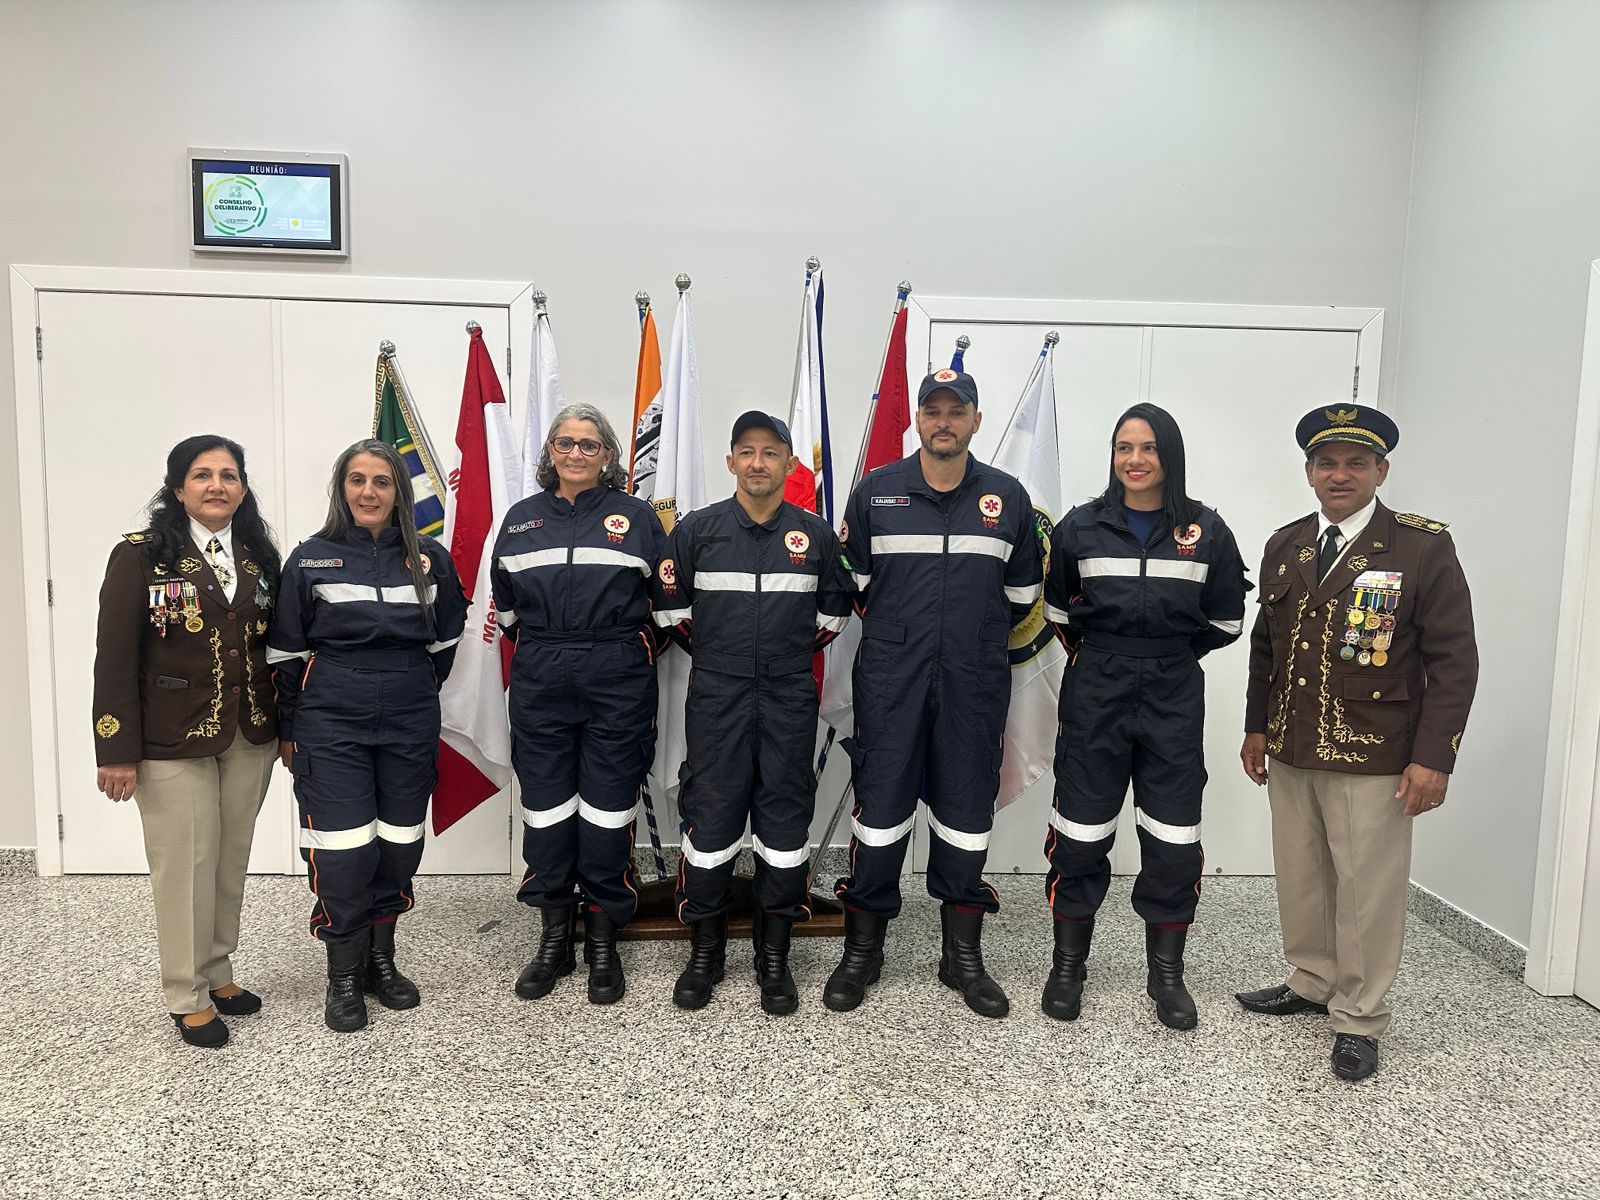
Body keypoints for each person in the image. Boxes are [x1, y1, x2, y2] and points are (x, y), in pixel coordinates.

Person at [1237, 404, 1478, 1081]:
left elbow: (1454, 659)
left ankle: (1361, 1017)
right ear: (1309, 472)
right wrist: (1256, 726)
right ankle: (1313, 981)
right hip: (1291, 744)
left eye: (1355, 463)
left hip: (1374, 750)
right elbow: (1266, 648)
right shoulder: (1288, 544)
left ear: (1381, 471)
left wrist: (1434, 757)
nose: (1339, 475)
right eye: (1326, 463)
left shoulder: (1419, 547)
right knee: (1302, 874)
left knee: (1367, 889)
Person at [826, 368, 1043, 1019]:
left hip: (973, 683)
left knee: (965, 816)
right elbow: (853, 586)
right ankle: (863, 951)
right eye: (933, 410)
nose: (943, 421)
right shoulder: (877, 493)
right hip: (891, 683)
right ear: (918, 419)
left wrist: (966, 636)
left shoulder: (1007, 498)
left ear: (976, 419)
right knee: (880, 815)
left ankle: (962, 956)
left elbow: (1021, 597)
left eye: (956, 410)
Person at [1039, 404, 1251, 1030]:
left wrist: (1167, 655)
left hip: (1172, 694)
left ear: (1170, 455)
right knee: (1079, 834)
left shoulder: (1207, 530)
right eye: (1124, 447)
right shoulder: (1081, 527)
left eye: (1149, 448)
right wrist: (1111, 657)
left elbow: (1226, 620)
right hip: (1095, 691)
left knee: (1174, 838)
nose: (1135, 460)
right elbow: (1057, 612)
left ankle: (1167, 975)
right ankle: (1068, 966)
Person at [652, 412, 854, 1014]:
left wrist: (780, 657)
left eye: (770, 452)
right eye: (747, 452)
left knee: (784, 826)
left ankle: (775, 955)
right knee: (711, 823)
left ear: (789, 463)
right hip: (718, 694)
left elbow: (833, 614)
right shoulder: (698, 531)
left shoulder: (815, 536)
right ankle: (705, 952)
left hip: (789, 693)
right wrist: (727, 656)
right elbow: (671, 612)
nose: (758, 463)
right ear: (730, 461)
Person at [267, 439, 467, 1032]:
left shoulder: (430, 559)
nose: (369, 492)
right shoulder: (311, 559)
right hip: (331, 718)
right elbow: (285, 652)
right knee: (343, 848)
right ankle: (344, 975)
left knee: (399, 841)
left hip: (408, 712)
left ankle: (382, 959)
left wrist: (407, 688)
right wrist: (289, 727)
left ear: (399, 490)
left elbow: (445, 645)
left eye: (382, 481)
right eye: (357, 480)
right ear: (342, 488)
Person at [92, 434, 281, 1048]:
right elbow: (114, 658)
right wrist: (116, 750)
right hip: (171, 739)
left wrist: (288, 728)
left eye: (229, 475)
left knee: (228, 861)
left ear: (243, 489)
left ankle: (217, 970)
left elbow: (275, 648)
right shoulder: (141, 556)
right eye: (202, 475)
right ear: (178, 489)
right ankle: (185, 992)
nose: (216, 486)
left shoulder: (258, 556)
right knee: (185, 868)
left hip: (250, 732)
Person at [491, 404, 664, 1005]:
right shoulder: (521, 520)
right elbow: (506, 610)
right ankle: (554, 936)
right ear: (550, 452)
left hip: (617, 675)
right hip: (541, 674)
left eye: (590, 445)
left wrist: (622, 651)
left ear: (609, 455)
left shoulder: (637, 518)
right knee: (546, 809)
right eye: (565, 442)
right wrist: (551, 648)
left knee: (608, 810)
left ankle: (603, 938)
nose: (576, 453)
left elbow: (665, 603)